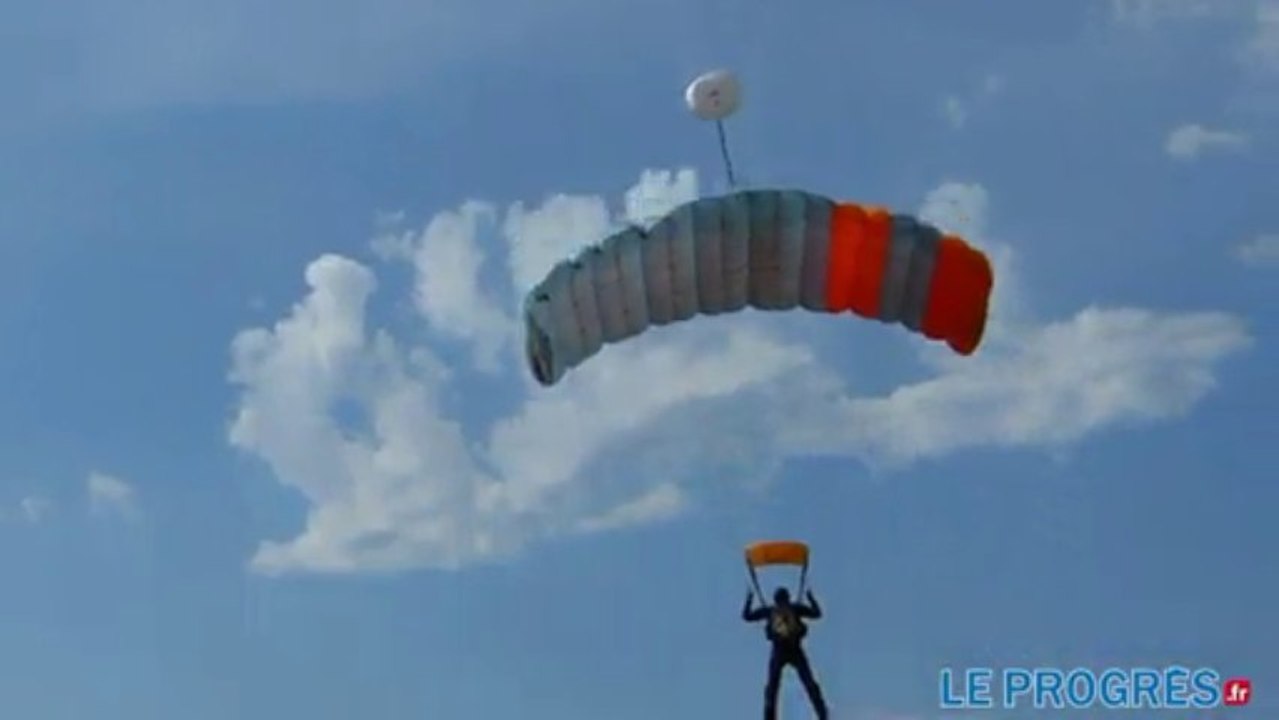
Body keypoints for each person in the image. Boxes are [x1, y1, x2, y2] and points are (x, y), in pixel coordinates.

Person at [742, 586, 830, 720]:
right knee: (801, 683)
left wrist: (749, 600)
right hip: (789, 650)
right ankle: (822, 712)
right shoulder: (792, 609)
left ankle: (821, 713)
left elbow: (747, 616)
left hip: (786, 650)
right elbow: (816, 613)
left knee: (775, 687)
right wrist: (811, 598)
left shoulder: (774, 611)